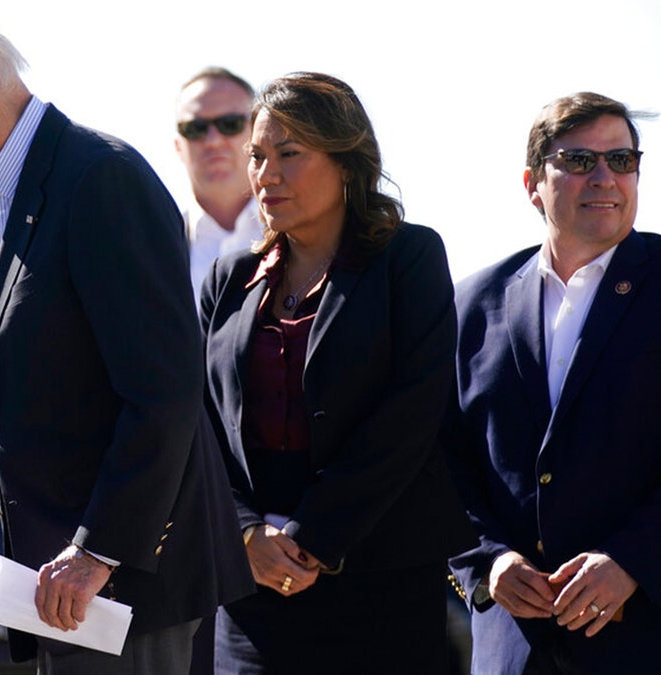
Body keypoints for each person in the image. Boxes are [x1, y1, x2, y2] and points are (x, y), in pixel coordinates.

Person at [0, 7, 254, 674]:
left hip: (127, 595)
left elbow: (162, 392)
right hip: (62, 600)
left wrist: (96, 551)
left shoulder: (99, 179)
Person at [199, 72, 472, 674]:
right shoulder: (226, 280)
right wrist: (245, 534)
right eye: (257, 156)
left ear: (347, 160)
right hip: (253, 591)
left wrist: (313, 536)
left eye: (289, 155)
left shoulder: (411, 258)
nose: (266, 175)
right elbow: (200, 424)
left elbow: (412, 415)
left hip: (382, 585)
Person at [445, 92, 661, 675]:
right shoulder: (471, 303)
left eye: (621, 161)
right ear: (531, 183)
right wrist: (487, 562)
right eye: (578, 161)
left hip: (646, 637)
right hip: (513, 648)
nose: (604, 178)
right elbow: (442, 461)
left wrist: (636, 561)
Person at [175, 67, 262, 305]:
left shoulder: (301, 235)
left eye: (230, 123)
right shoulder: (153, 243)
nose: (213, 141)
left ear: (259, 136)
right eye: (195, 128)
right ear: (178, 146)